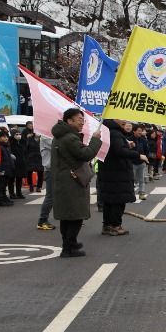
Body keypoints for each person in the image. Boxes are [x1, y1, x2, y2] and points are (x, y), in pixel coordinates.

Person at [51, 108, 103, 257]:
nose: (82, 122)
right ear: (69, 121)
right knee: (75, 215)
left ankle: (70, 244)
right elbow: (85, 154)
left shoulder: (60, 136)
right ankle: (68, 247)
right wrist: (95, 140)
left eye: (83, 119)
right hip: (71, 183)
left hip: (63, 180)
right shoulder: (70, 138)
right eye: (79, 119)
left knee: (67, 216)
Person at [98, 119, 146, 236]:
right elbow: (119, 151)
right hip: (117, 173)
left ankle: (108, 225)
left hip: (109, 171)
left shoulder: (108, 131)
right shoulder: (115, 133)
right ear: (114, 119)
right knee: (118, 201)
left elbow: (115, 149)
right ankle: (116, 226)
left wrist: (126, 144)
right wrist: (138, 155)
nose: (124, 121)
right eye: (121, 118)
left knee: (109, 201)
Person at [36, 134, 55, 230]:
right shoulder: (45, 136)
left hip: (57, 169)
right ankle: (42, 220)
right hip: (50, 170)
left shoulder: (51, 135)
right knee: (50, 196)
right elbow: (56, 145)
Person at [129, 124, 150, 200]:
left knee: (141, 179)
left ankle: (142, 193)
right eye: (138, 131)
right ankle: (131, 194)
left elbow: (147, 150)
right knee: (132, 179)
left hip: (141, 162)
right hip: (132, 162)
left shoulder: (143, 140)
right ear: (134, 131)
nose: (140, 132)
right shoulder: (129, 139)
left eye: (141, 131)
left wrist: (146, 159)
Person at [9, 129, 29, 198]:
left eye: (19, 134)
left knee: (19, 178)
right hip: (13, 163)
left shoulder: (23, 142)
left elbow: (25, 152)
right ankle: (11, 193)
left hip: (21, 162)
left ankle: (19, 193)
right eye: (16, 134)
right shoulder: (10, 143)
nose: (18, 135)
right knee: (11, 179)